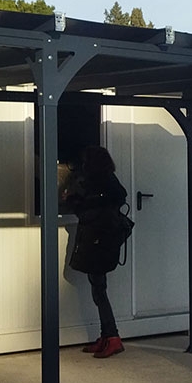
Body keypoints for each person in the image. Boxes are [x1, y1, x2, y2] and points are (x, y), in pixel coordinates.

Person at [63, 145, 129, 359]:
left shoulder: (95, 182)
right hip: (104, 240)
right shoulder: (108, 180)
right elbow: (119, 197)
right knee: (99, 289)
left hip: (98, 241)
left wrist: (73, 200)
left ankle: (112, 337)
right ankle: (107, 335)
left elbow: (87, 211)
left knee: (99, 290)